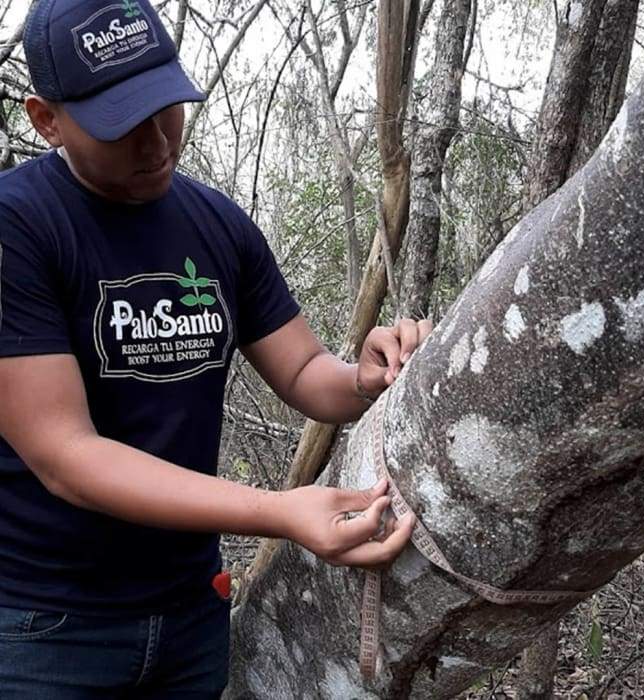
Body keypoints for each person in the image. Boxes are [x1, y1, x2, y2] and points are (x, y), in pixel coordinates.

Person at [0, 0, 431, 697]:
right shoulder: (18, 228)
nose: (157, 142)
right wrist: (278, 511)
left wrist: (366, 375)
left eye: (164, 105)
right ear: (46, 119)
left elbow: (301, 370)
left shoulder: (216, 224)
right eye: (121, 124)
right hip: (47, 629)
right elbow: (66, 456)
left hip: (189, 616)